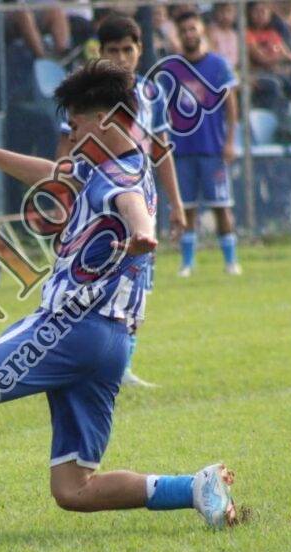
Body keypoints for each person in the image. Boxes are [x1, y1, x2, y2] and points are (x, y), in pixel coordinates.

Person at [0, 60, 238, 530]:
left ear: (103, 120)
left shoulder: (118, 178)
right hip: (111, 343)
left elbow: (132, 207)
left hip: (69, 327)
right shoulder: (122, 162)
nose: (70, 135)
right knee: (74, 489)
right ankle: (197, 487)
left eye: (75, 125)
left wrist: (143, 233)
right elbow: (55, 174)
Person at [56, 15, 186, 387]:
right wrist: (61, 199)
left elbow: (161, 151)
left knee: (139, 278)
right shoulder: (89, 97)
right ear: (100, 51)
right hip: (97, 199)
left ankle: (121, 363)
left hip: (137, 196)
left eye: (128, 49)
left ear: (140, 50)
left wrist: (176, 203)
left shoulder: (152, 95)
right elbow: (66, 150)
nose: (122, 57)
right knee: (91, 278)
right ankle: (92, 359)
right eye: (113, 50)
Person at [172, 11, 242, 277]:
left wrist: (230, 141)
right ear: (179, 36)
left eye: (193, 29)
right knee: (187, 208)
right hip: (182, 149)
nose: (189, 34)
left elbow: (231, 106)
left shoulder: (218, 65)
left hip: (213, 148)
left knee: (221, 206)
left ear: (201, 30)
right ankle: (187, 263)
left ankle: (231, 262)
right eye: (184, 31)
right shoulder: (173, 69)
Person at [208, 2, 239, 69]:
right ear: (216, 13)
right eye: (221, 11)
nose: (225, 16)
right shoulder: (212, 32)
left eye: (229, 11)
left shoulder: (235, 34)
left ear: (235, 13)